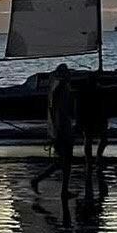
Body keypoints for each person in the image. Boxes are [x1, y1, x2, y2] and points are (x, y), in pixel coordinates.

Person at [30, 65, 78, 201]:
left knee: (64, 162)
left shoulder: (60, 89)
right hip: (62, 130)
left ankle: (61, 189)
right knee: (64, 161)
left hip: (62, 129)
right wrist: (59, 131)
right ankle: (39, 181)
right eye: (68, 73)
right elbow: (58, 113)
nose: (70, 75)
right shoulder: (61, 90)